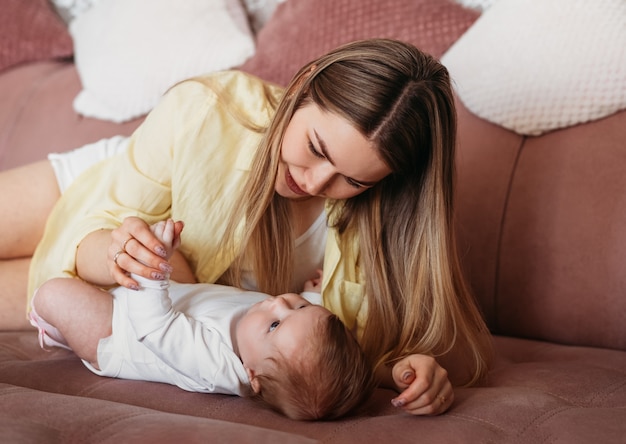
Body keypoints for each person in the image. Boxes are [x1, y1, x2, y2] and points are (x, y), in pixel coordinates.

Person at [1, 38, 492, 415]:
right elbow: (92, 230)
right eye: (317, 149)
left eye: (353, 179)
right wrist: (117, 248)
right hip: (100, 198)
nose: (316, 181)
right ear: (300, 90)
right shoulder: (206, 110)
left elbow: (345, 352)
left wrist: (412, 370)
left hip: (122, 297)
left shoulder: (384, 223)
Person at [30, 219, 375, 421]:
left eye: (275, 324)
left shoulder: (216, 366)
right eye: (299, 307)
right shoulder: (276, 339)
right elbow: (309, 326)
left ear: (252, 376)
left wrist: (153, 273)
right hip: (173, 295)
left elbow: (157, 328)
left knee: (54, 294)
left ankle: (59, 331)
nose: (281, 302)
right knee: (151, 246)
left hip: (121, 334)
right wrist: (312, 294)